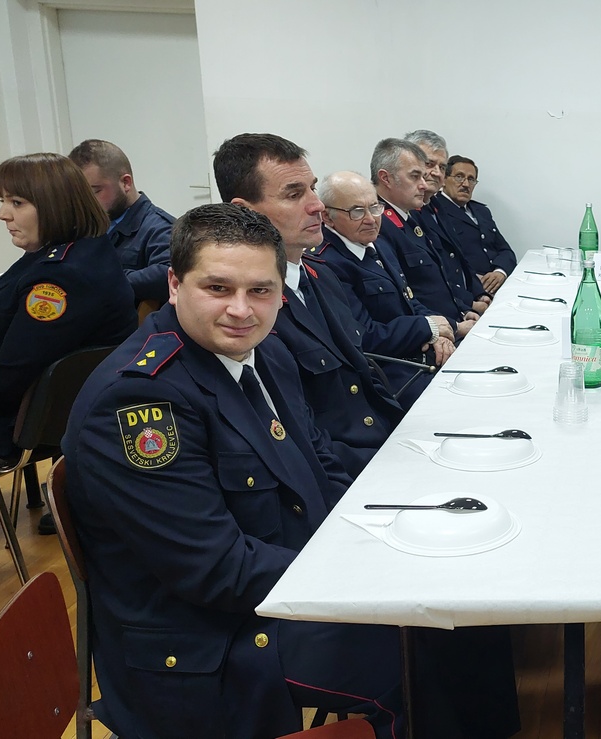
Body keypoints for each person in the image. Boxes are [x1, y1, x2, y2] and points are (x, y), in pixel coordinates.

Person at [61, 203, 407, 738]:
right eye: (218, 288)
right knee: (412, 654)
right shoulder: (139, 402)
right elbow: (215, 568)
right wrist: (356, 576)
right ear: (174, 285)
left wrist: (376, 546)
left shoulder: (266, 354)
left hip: (274, 591)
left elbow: (322, 468)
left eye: (260, 290)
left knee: (439, 619)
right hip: (209, 644)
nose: (241, 310)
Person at [213, 133, 403, 478]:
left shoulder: (321, 275)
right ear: (245, 211)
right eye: (294, 194)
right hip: (348, 471)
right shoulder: (246, 310)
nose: (317, 205)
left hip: (383, 442)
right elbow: (298, 436)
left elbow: (362, 372)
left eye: (312, 188)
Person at [0, 152, 135, 461]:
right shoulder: (81, 249)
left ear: (54, 205)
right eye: (3, 201)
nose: (3, 214)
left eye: (17, 203)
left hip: (13, 422)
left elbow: (6, 381)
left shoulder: (60, 278)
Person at [314, 170, 454, 406]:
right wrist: (427, 328)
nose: (371, 219)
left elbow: (409, 300)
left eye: (374, 207)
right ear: (327, 217)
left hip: (420, 354)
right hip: (391, 372)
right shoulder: (328, 264)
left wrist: (438, 332)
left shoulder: (377, 245)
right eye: (357, 211)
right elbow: (363, 337)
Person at [371, 137, 482, 329]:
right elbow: (405, 297)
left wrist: (461, 309)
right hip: (430, 331)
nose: (423, 184)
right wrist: (452, 327)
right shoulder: (379, 225)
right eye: (415, 176)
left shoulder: (412, 216)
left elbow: (439, 277)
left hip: (448, 320)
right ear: (386, 178)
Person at [68, 139, 176, 303]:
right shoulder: (86, 227)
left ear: (126, 183)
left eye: (94, 192)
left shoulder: (160, 227)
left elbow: (167, 273)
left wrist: (102, 279)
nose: (86, 203)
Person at [405, 130, 493, 314]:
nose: (437, 173)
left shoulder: (435, 205)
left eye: (442, 167)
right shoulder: (407, 213)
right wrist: (467, 306)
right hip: (441, 315)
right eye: (429, 164)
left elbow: (457, 258)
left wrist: (478, 293)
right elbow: (425, 282)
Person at [432, 155, 517, 294]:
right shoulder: (435, 210)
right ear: (444, 180)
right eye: (459, 177)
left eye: (471, 179)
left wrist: (500, 271)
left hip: (498, 285)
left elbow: (505, 250)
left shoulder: (482, 211)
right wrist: (475, 283)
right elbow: (445, 261)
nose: (466, 184)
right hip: (469, 290)